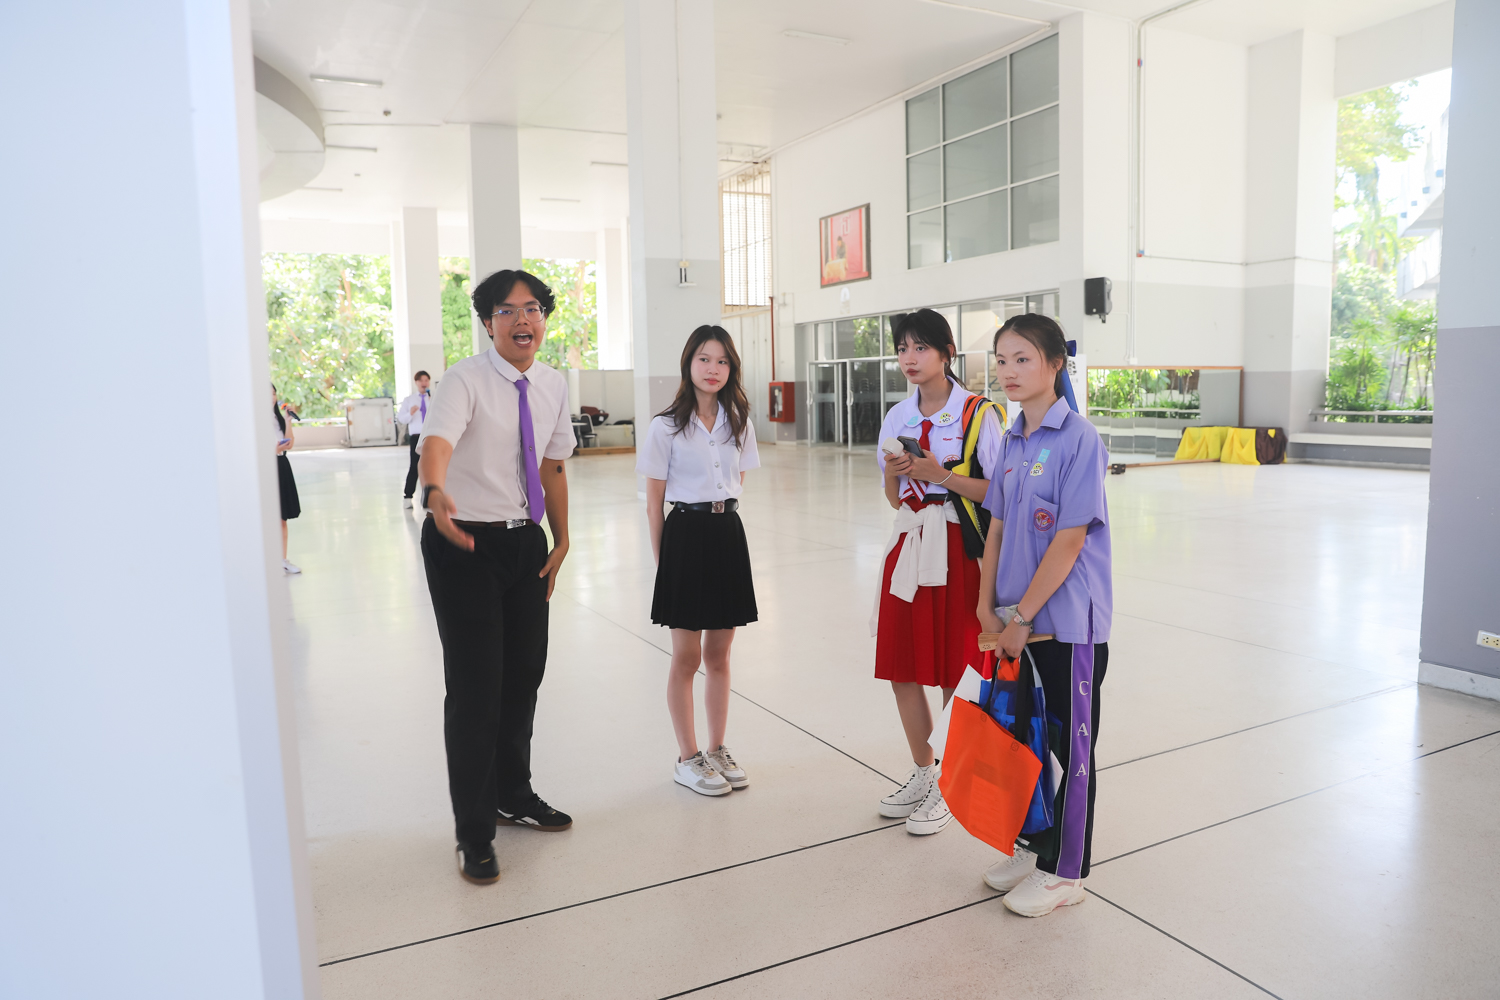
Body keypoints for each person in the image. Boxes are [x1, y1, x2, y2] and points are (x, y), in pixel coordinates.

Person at [416, 268, 576, 885]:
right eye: (507, 311)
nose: (522, 319)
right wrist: (434, 491)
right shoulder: (464, 380)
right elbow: (437, 444)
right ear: (488, 323)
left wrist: (562, 537)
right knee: (476, 688)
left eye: (532, 308)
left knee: (523, 676)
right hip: (463, 543)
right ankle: (474, 832)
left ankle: (513, 794)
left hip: (523, 542)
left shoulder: (553, 383)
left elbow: (553, 465)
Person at [975, 313, 1111, 918]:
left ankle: (1066, 873)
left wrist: (1023, 617)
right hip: (1014, 624)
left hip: (1065, 627)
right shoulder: (1011, 439)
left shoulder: (1079, 438)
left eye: (1023, 358)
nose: (1008, 371)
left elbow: (1070, 540)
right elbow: (997, 529)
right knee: (1025, 743)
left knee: (1069, 750)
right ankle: (1034, 848)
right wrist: (985, 606)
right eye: (1001, 360)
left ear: (1056, 364)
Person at [872, 309, 1003, 834]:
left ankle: (952, 780)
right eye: (902, 348)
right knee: (901, 666)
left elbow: (1000, 494)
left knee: (955, 668)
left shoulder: (977, 414)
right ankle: (925, 772)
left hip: (957, 548)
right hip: (909, 542)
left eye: (921, 347)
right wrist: (896, 473)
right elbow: (892, 497)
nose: (910, 358)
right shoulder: (897, 416)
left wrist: (939, 474)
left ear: (947, 353)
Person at [637, 326, 760, 797]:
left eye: (723, 361)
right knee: (687, 657)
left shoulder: (739, 422)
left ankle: (717, 748)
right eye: (705, 359)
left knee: (720, 655)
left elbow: (737, 481)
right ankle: (687, 757)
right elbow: (654, 504)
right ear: (689, 363)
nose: (713, 369)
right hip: (684, 537)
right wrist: (664, 565)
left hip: (727, 532)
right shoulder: (665, 426)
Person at [272, 384, 301, 575]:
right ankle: (270, 559)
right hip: (267, 465)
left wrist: (288, 421)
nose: (272, 397)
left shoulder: (277, 418)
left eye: (274, 394)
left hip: (281, 464)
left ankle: (282, 560)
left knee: (282, 517)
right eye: (268, 394)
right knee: (270, 515)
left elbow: (289, 444)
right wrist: (274, 449)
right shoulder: (256, 420)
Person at [396, 370, 433, 508]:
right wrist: (410, 413)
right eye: (421, 380)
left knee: (432, 467)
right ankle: (408, 497)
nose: (424, 383)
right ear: (416, 382)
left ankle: (430, 498)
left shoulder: (433, 398)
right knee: (415, 467)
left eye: (426, 380)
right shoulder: (409, 400)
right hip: (417, 436)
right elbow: (401, 418)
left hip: (431, 436)